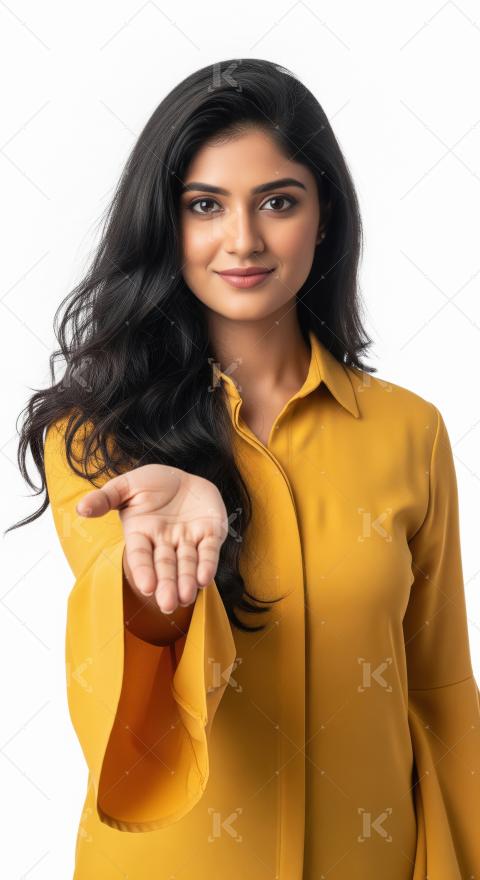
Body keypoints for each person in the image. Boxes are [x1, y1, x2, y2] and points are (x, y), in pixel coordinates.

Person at [7, 58, 479, 879]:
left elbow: (441, 693)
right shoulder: (96, 434)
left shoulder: (411, 430)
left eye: (279, 202)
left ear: (325, 218)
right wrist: (160, 574)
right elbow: (126, 669)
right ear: (166, 224)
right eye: (205, 205)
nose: (244, 240)